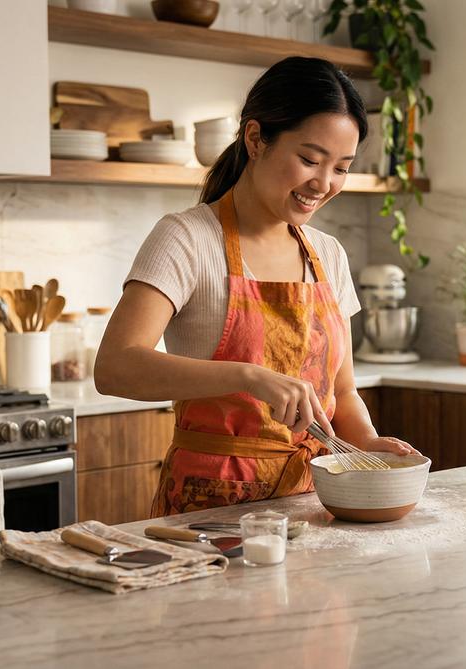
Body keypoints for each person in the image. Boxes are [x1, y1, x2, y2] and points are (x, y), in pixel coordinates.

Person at [95, 57, 415, 517]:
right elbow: (114, 367)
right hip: (208, 511)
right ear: (255, 139)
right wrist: (247, 376)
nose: (323, 184)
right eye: (309, 159)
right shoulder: (187, 239)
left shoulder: (329, 254)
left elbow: (341, 393)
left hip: (309, 506)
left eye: (341, 168)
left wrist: (365, 441)